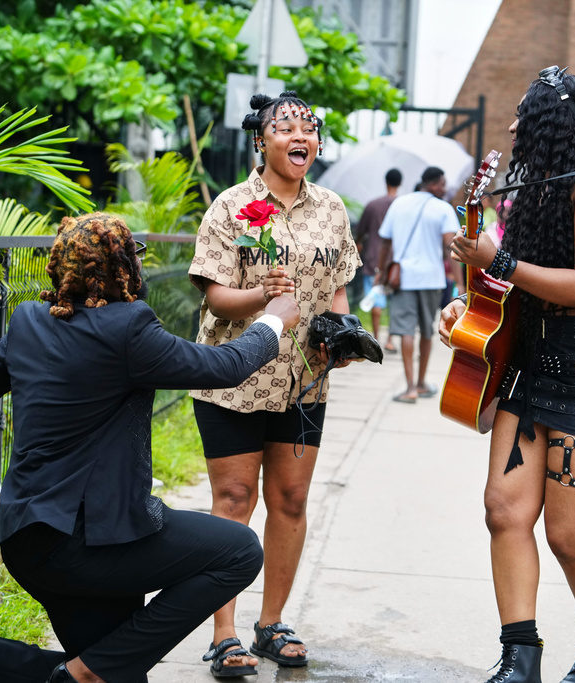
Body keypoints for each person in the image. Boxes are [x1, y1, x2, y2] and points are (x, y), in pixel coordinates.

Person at [0, 213, 300, 683]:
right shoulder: (128, 328)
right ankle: (86, 673)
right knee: (239, 551)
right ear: (125, 269)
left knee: (115, 670)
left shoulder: (30, 321)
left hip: (28, 542)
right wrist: (274, 321)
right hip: (93, 544)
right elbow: (225, 366)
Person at [440, 66, 575, 683]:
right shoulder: (532, 191)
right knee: (503, 510)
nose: (509, 126)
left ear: (551, 125)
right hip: (536, 361)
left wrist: (499, 258)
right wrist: (470, 305)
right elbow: (511, 284)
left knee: (567, 533)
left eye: (521, 116)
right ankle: (520, 656)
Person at [187, 91, 360, 676]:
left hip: (305, 382)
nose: (299, 136)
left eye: (308, 127)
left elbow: (338, 288)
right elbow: (214, 294)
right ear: (261, 140)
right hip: (234, 377)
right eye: (285, 127)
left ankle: (271, 624)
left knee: (290, 500)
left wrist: (342, 331)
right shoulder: (231, 206)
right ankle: (223, 633)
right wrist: (263, 296)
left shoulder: (332, 208)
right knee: (235, 501)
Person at [376, 166, 464, 404]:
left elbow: (385, 242)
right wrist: (461, 284)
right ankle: (423, 382)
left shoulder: (400, 204)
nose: (445, 189)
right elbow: (450, 249)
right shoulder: (443, 208)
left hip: (403, 278)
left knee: (405, 331)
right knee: (427, 331)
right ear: (434, 184)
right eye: (443, 184)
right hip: (431, 279)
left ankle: (411, 387)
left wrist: (380, 271)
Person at [354, 167, 402, 352]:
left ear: (386, 182)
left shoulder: (373, 205)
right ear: (399, 183)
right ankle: (390, 339)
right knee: (393, 302)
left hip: (374, 258)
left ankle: (374, 339)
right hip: (396, 260)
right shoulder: (402, 205)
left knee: (374, 298)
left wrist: (358, 243)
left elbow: (360, 231)